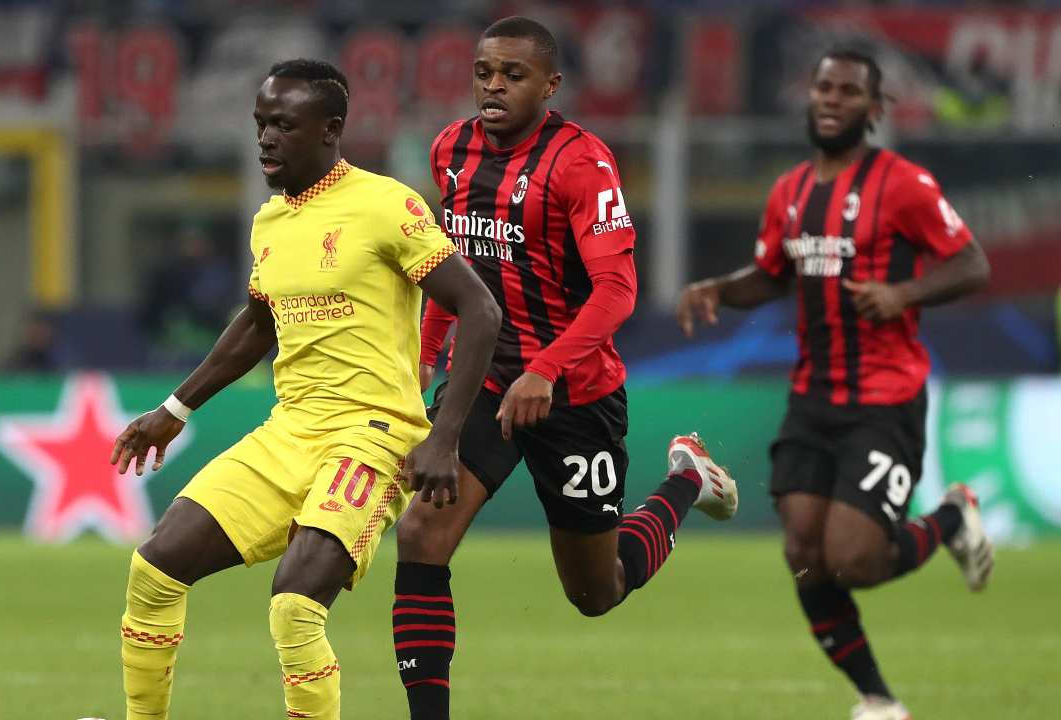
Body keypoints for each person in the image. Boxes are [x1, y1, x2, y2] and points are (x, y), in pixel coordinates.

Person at [109, 58, 500, 720]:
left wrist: (444, 434)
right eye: (260, 123)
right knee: (154, 569)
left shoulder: (387, 206)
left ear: (330, 130)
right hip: (290, 429)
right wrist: (175, 409)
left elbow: (480, 310)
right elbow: (257, 326)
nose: (265, 138)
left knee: (294, 606)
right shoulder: (272, 222)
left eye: (283, 125)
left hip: (372, 435)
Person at [391, 17, 739, 719]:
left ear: (550, 86)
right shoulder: (449, 150)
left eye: (513, 75)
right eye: (485, 71)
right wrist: (421, 362)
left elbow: (619, 290)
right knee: (421, 533)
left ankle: (684, 483)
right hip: (485, 384)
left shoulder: (583, 163)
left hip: (574, 393)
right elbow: (451, 276)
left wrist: (546, 369)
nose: (494, 86)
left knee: (596, 592)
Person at [677, 47, 994, 720]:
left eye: (850, 91)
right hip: (811, 398)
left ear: (875, 110)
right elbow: (771, 273)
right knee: (802, 552)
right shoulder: (790, 191)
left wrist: (904, 292)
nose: (832, 98)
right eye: (823, 86)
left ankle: (952, 517)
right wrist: (718, 288)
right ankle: (878, 700)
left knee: (854, 559)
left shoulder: (903, 184)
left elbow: (971, 263)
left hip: (885, 400)